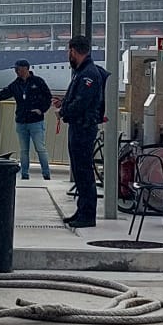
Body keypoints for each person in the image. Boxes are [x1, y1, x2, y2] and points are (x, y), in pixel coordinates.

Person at [55, 36, 109, 228]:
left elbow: (81, 102)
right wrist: (64, 105)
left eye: (68, 51)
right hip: (78, 127)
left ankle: (88, 215)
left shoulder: (88, 74)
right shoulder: (83, 71)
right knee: (79, 171)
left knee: (84, 172)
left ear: (73, 51)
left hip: (83, 128)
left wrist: (63, 111)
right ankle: (82, 210)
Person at [0, 59, 52, 180]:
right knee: (24, 150)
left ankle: (46, 174)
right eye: (15, 69)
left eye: (18, 69)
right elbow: (1, 95)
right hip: (21, 121)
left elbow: (48, 97)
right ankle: (25, 174)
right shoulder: (15, 85)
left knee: (40, 148)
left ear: (25, 69)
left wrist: (41, 109)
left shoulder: (38, 82)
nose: (16, 71)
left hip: (36, 121)